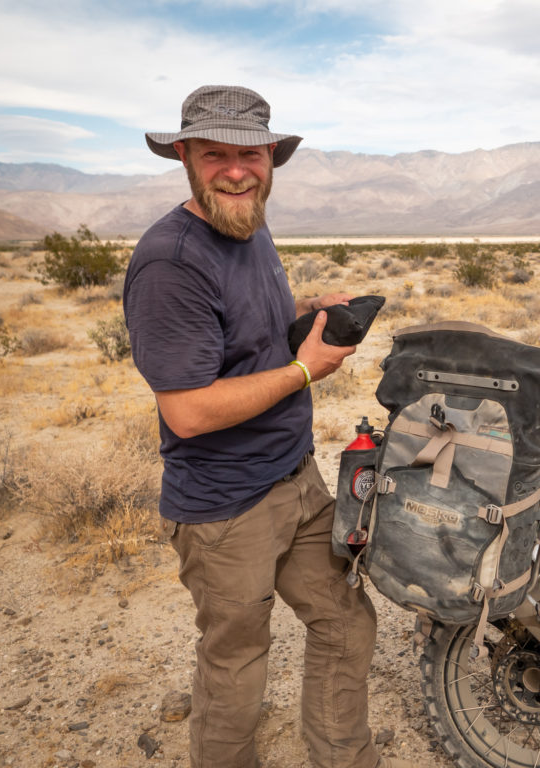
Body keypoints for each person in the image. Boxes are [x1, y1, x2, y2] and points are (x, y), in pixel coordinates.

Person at [123, 85, 409, 768]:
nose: (235, 169)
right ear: (186, 157)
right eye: (215, 153)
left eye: (249, 154)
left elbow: (251, 325)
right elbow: (187, 411)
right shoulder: (170, 262)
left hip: (297, 481)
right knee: (236, 668)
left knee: (344, 623)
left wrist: (314, 307)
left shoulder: (247, 222)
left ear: (270, 159)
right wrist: (307, 370)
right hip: (225, 509)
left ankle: (345, 758)